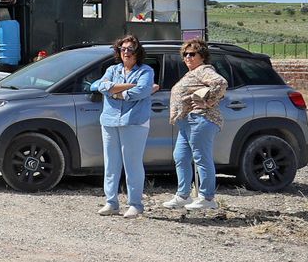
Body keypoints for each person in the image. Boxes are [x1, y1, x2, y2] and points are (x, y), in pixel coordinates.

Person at [163, 39, 229, 214]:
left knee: (201, 157)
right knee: (181, 156)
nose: (188, 57)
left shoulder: (204, 70)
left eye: (192, 54)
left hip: (201, 119)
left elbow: (220, 83)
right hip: (187, 122)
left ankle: (207, 198)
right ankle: (183, 195)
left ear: (202, 56)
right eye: (185, 54)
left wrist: (207, 101)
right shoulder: (192, 72)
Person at [94, 35, 156, 218]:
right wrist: (127, 87)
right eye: (123, 49)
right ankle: (111, 202)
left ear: (138, 52)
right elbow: (100, 86)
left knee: (132, 164)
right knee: (111, 164)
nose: (126, 52)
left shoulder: (146, 71)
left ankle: (135, 204)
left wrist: (117, 93)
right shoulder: (112, 69)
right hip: (109, 120)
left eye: (130, 49)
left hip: (134, 121)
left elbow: (143, 90)